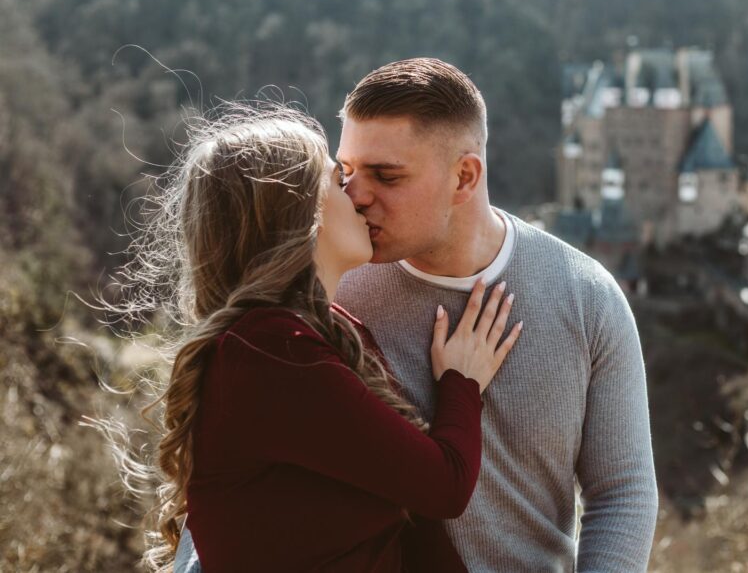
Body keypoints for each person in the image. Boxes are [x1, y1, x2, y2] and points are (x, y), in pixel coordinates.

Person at [175, 58, 660, 571]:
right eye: (346, 173)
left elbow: (622, 495)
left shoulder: (587, 297)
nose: (358, 196)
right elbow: (234, 484)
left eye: (386, 176)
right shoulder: (331, 298)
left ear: (464, 176)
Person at [120, 106, 522, 572]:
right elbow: (442, 487)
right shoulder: (273, 353)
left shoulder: (316, 333)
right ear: (297, 214)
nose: (358, 196)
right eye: (338, 180)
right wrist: (460, 380)